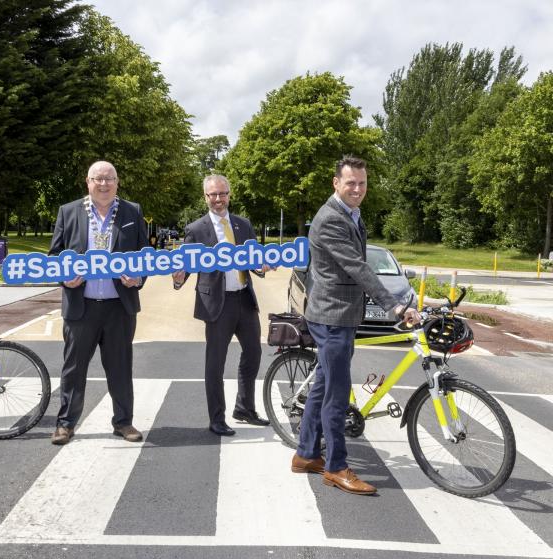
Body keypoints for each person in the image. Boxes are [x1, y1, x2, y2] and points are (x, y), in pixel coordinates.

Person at [293, 156, 420, 494]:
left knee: (323, 385)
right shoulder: (331, 219)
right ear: (336, 183)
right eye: (350, 182)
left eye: (362, 183)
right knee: (336, 394)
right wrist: (393, 304)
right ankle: (335, 467)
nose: (358, 189)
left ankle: (305, 454)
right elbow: (357, 267)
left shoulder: (351, 214)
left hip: (342, 314)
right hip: (331, 315)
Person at [48, 161, 148, 445]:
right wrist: (65, 279)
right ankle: (65, 424)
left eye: (109, 179)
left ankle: (123, 422)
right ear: (87, 182)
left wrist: (138, 278)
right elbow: (55, 256)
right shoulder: (68, 212)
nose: (104, 184)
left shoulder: (132, 211)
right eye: (98, 179)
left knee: (120, 367)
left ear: (117, 182)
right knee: (73, 369)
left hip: (119, 306)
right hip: (82, 306)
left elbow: (145, 255)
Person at [172, 174, 271, 436]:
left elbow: (254, 259)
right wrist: (179, 278)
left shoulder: (243, 225)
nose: (218, 199)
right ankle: (216, 418)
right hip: (217, 303)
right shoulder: (196, 229)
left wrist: (261, 266)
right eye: (213, 195)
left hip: (244, 298)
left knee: (253, 354)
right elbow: (186, 265)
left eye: (222, 193)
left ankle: (244, 408)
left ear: (229, 194)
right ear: (205, 197)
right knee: (215, 363)